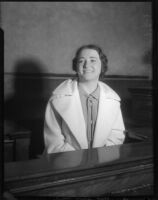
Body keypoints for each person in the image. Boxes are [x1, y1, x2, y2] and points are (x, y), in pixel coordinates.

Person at [43, 44, 125, 154]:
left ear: (102, 65)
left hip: (103, 161)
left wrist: (101, 156)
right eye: (81, 61)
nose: (87, 65)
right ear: (76, 66)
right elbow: (53, 141)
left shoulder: (113, 99)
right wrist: (78, 161)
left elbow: (117, 135)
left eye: (93, 60)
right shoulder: (58, 98)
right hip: (67, 162)